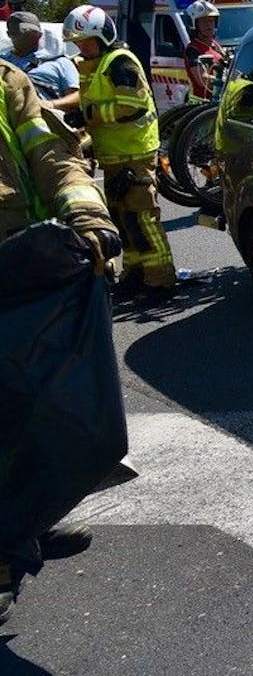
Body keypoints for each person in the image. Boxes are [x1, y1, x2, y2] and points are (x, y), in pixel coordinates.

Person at [1, 54, 122, 625]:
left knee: (38, 408)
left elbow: (54, 156)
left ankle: (27, 517)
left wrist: (88, 216)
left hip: (23, 275)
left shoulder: (6, 81)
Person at [61, 5, 177, 299]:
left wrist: (87, 114)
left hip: (135, 156)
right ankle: (135, 274)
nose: (82, 48)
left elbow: (131, 106)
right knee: (124, 222)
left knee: (143, 220)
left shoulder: (119, 62)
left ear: (103, 37)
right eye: (78, 43)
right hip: (113, 157)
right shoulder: (93, 65)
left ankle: (161, 281)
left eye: (86, 42)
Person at [3, 11, 81, 114]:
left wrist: (52, 104)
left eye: (30, 32)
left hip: (47, 118)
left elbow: (77, 96)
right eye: (19, 33)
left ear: (40, 34)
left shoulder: (60, 62)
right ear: (9, 34)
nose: (26, 36)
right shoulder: (3, 62)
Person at [182, 0, 226, 99]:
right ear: (194, 25)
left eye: (211, 21)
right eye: (204, 21)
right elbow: (203, 80)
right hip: (203, 105)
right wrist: (226, 82)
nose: (209, 25)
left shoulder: (215, 45)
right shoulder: (193, 50)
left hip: (219, 100)